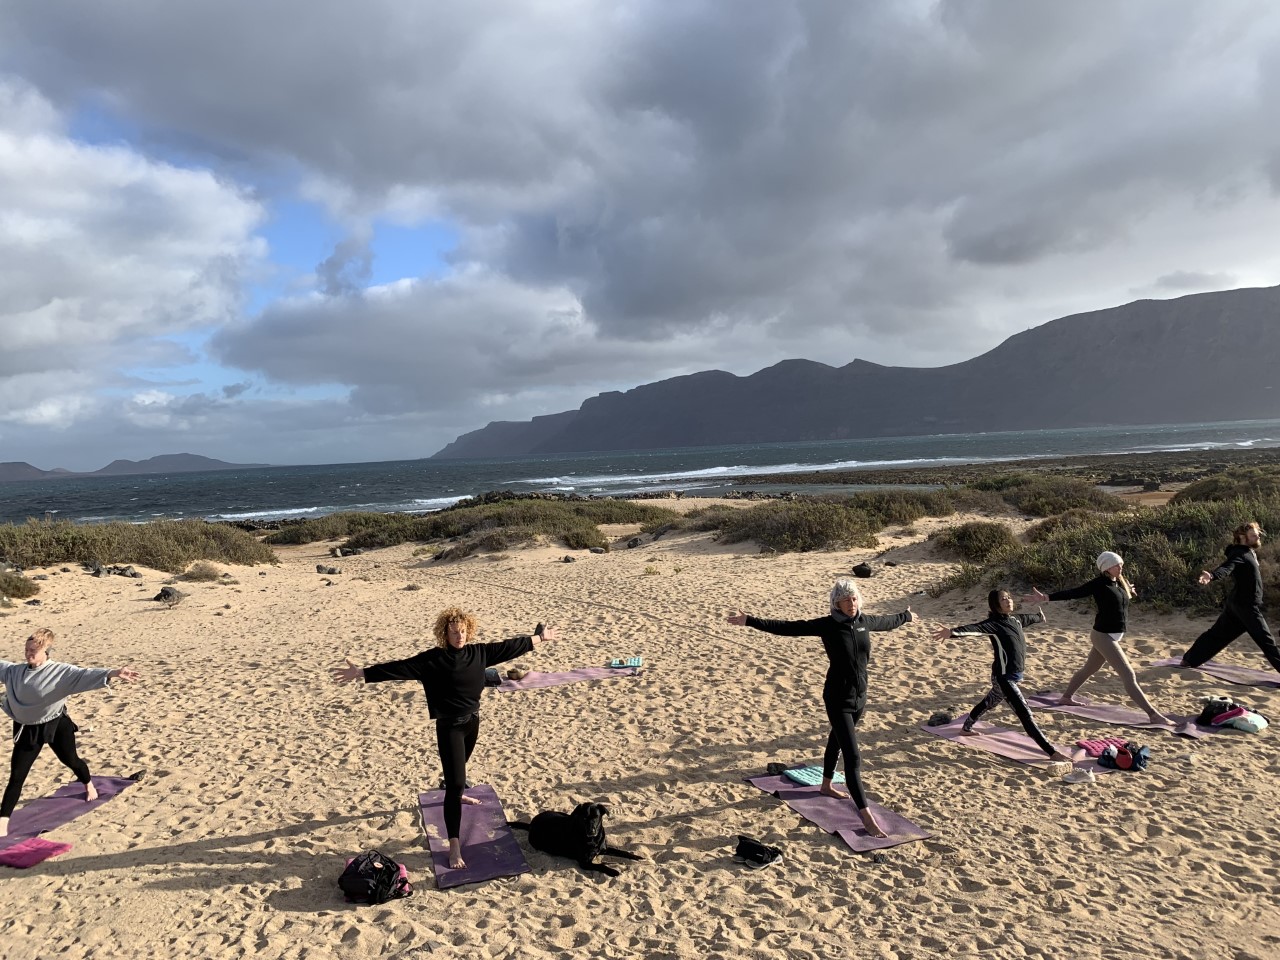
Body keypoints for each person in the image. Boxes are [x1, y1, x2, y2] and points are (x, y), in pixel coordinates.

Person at [331, 608, 560, 869]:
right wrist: (362, 673)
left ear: (468, 630)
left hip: (472, 722)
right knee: (454, 785)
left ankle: (458, 791)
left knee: (460, 773)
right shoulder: (433, 660)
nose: (459, 636)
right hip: (449, 727)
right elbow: (400, 668)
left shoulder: (479, 653)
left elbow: (510, 647)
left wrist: (540, 638)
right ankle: (454, 846)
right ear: (445, 633)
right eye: (454, 632)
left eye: (463, 631)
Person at [727, 579, 914, 839]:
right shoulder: (827, 625)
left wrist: (906, 616)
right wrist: (751, 620)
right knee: (853, 757)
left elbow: (888, 621)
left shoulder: (864, 622)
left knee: (836, 739)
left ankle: (826, 784)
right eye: (846, 600)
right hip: (837, 699)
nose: (852, 604)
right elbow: (788, 628)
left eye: (855, 598)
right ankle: (866, 815)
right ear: (836, 603)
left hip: (860, 698)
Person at [0, 628, 140, 837]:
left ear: (46, 651)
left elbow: (85, 674)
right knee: (17, 776)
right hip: (27, 728)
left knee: (71, 760)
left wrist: (113, 673)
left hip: (56, 724)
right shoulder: (14, 671)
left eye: (34, 651)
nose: (29, 654)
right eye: (27, 649)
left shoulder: (60, 672)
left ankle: (88, 784)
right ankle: (3, 823)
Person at [1024, 551, 1171, 724]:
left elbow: (1121, 597)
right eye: (1117, 565)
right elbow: (1075, 592)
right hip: (1103, 636)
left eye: (1121, 564)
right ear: (1107, 567)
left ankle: (1066, 697)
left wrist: (1128, 590)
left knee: (1089, 669)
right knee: (1128, 675)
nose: (1121, 567)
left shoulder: (1119, 583)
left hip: (1112, 635)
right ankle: (1153, 715)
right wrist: (1046, 598)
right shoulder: (1099, 584)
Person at [932, 590, 1073, 764]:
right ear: (995, 604)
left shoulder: (1015, 620)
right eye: (1003, 599)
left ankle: (966, 727)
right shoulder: (994, 624)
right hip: (1004, 678)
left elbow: (1028, 619)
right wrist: (953, 632)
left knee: (989, 702)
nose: (1008, 600)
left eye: (1009, 597)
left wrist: (1039, 617)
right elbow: (975, 628)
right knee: (1025, 713)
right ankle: (1051, 752)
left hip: (1011, 677)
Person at [1179, 521, 1280, 675]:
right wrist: (1212, 576)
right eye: (1253, 535)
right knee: (1266, 641)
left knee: (1217, 635)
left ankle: (1189, 660)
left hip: (1237, 604)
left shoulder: (1247, 551)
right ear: (1242, 537)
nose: (1258, 536)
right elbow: (1227, 567)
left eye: (1258, 534)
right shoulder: (1239, 553)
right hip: (1246, 606)